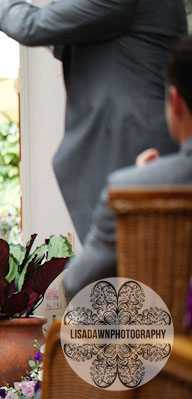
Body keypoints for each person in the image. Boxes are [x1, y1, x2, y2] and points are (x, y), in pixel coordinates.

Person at [0, 0, 187, 241]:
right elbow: (68, 39)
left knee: (130, 267)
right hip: (127, 146)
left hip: (131, 149)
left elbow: (33, 26)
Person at [63, 35, 192, 301]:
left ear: (175, 101)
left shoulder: (131, 188)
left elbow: (77, 282)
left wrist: (140, 182)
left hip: (168, 342)